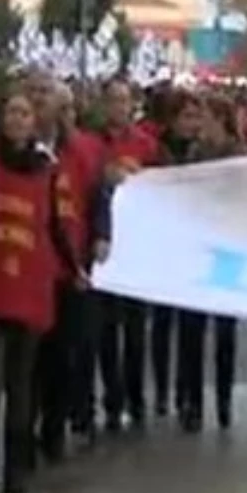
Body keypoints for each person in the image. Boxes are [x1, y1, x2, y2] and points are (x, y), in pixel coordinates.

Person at [0, 90, 78, 493]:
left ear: (34, 122)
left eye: (24, 113)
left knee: (20, 383)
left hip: (27, 287)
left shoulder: (46, 169)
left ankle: (15, 470)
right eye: (10, 111)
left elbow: (54, 226)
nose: (16, 119)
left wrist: (75, 268)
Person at [29, 79, 109, 459]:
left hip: (72, 268)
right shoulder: (21, 149)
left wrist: (101, 235)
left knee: (65, 352)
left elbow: (97, 198)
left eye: (46, 96)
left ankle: (55, 428)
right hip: (31, 267)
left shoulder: (83, 151)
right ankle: (22, 432)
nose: (39, 101)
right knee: (30, 357)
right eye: (33, 95)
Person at [177, 94, 247, 432]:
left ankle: (223, 399)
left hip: (228, 248)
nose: (201, 123)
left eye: (206, 116)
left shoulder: (238, 153)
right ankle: (192, 400)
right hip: (198, 247)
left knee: (225, 333)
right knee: (191, 329)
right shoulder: (194, 153)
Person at [97, 76, 160, 433]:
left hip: (137, 249)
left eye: (124, 101)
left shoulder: (146, 145)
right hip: (107, 248)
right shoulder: (94, 144)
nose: (118, 107)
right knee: (107, 332)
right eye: (113, 100)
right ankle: (112, 400)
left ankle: (136, 399)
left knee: (136, 332)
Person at [152, 90, 202, 418]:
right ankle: (162, 391)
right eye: (186, 116)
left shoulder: (206, 154)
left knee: (192, 328)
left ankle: (191, 397)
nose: (192, 123)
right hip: (164, 248)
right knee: (162, 324)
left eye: (196, 117)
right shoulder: (156, 151)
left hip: (196, 248)